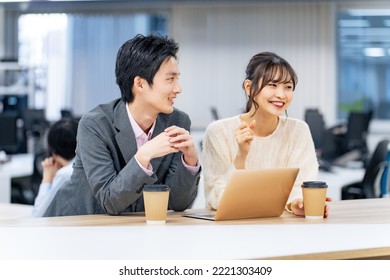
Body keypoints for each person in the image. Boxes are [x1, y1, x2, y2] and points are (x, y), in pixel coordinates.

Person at [43, 34, 201, 217]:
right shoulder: (95, 124)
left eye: (177, 78)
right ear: (139, 84)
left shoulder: (178, 122)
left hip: (132, 232)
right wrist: (144, 156)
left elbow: (178, 204)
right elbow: (110, 200)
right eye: (170, 79)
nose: (178, 88)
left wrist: (190, 162)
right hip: (74, 227)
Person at [202, 51, 330, 217]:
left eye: (288, 87)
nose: (281, 95)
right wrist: (241, 157)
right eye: (272, 85)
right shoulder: (218, 132)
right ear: (249, 87)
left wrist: (297, 203)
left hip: (282, 227)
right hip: (233, 228)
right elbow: (216, 198)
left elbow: (300, 185)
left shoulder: (298, 131)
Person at [32, 118, 78, 217]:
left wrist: (47, 179)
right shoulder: (87, 166)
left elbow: (38, 215)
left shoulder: (65, 174)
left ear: (52, 149)